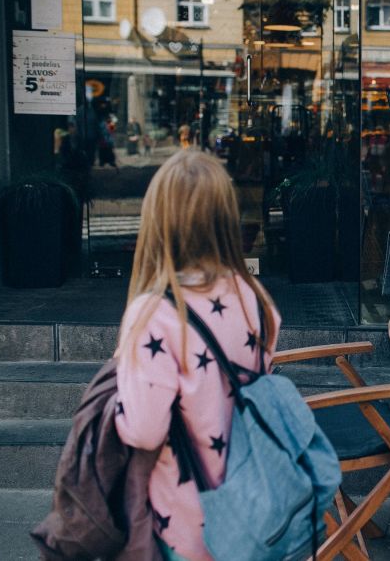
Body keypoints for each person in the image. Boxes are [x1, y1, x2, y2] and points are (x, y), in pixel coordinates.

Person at [113, 149, 280, 561]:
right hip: (251, 503)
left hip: (185, 520)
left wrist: (114, 407)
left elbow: (144, 430)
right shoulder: (252, 297)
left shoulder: (153, 315)